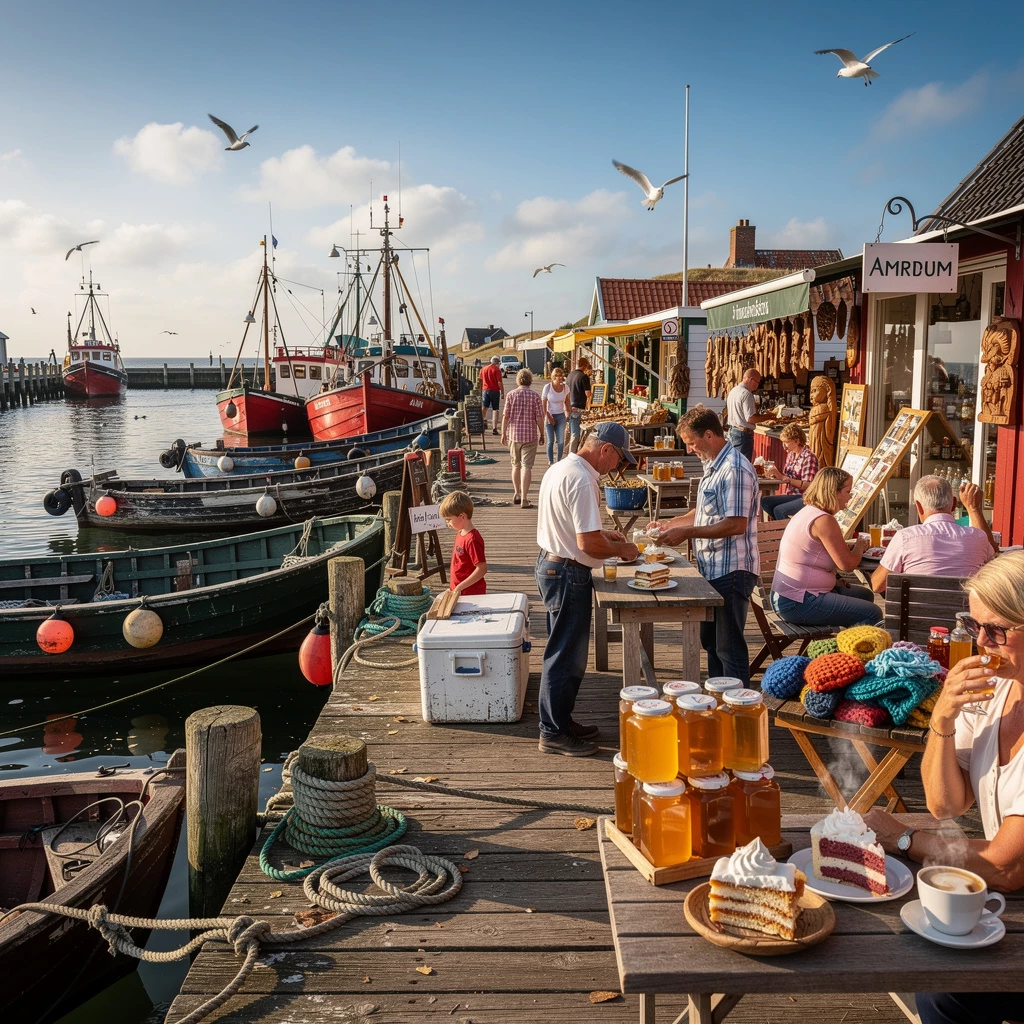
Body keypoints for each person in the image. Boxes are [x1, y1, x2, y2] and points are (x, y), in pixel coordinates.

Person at [862, 551, 1024, 1024]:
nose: (982, 643)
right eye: (974, 626)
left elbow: (1006, 867)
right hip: (1008, 892)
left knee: (943, 991)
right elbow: (947, 803)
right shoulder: (998, 687)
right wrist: (942, 719)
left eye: (998, 630)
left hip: (1012, 887)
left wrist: (905, 839)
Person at [536, 421, 639, 755]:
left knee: (562, 649)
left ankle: (560, 721)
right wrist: (622, 550)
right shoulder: (582, 480)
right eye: (619, 459)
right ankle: (552, 731)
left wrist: (604, 536)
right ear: (605, 449)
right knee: (566, 655)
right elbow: (587, 543)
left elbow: (573, 529)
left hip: (552, 563)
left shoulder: (561, 467)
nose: (617, 468)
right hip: (568, 571)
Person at [652, 405, 760, 685]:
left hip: (732, 570)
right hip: (711, 568)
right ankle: (718, 699)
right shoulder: (714, 464)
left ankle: (738, 710)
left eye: (691, 443)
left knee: (728, 646)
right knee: (711, 643)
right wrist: (671, 524)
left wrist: (686, 533)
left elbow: (736, 524)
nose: (689, 450)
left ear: (710, 435)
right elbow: (703, 512)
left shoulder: (734, 469)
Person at [769, 467, 880, 627]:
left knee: (864, 595)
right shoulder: (824, 521)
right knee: (872, 613)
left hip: (789, 595)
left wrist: (833, 580)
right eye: (848, 491)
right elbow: (847, 565)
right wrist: (860, 545)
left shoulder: (809, 512)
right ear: (833, 492)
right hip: (799, 602)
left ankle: (848, 645)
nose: (850, 496)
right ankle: (849, 649)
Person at [871, 476, 997, 594]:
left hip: (916, 616)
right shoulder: (978, 538)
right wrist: (973, 508)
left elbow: (877, 585)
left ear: (919, 507)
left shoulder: (905, 537)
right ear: (953, 504)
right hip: (965, 616)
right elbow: (996, 560)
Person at [501, 368, 545, 508]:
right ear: (530, 380)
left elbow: (505, 416)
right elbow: (539, 417)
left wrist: (503, 433)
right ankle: (524, 498)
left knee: (515, 465)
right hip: (530, 436)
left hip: (514, 435)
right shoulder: (535, 396)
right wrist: (542, 434)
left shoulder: (511, 395)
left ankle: (516, 493)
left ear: (518, 380)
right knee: (527, 467)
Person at [760, 423, 819, 520]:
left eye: (786, 442)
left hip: (805, 497)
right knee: (765, 502)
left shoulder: (809, 457)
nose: (783, 446)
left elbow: (809, 485)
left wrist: (784, 478)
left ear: (797, 440)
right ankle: (784, 526)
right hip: (791, 495)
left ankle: (785, 531)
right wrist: (774, 474)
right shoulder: (791, 455)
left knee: (779, 510)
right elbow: (786, 477)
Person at [439, 490, 487, 596]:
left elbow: (482, 569)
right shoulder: (460, 533)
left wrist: (460, 586)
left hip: (471, 593)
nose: (448, 524)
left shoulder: (472, 539)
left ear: (462, 516)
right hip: (459, 591)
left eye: (449, 520)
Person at [725, 368, 775, 461]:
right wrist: (769, 416)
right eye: (757, 382)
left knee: (735, 463)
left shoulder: (733, 391)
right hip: (743, 435)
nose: (757, 385)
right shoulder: (746, 394)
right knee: (742, 465)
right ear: (750, 379)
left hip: (733, 431)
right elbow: (751, 419)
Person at [541, 367, 571, 465]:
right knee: (550, 440)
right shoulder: (548, 387)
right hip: (550, 414)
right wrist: (549, 417)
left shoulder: (565, 388)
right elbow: (544, 404)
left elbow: (567, 401)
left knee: (561, 441)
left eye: (561, 377)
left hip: (561, 415)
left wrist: (569, 413)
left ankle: (558, 461)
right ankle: (550, 461)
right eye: (557, 377)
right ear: (553, 377)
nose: (560, 379)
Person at [566, 357, 592, 454]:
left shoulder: (570, 375)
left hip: (569, 406)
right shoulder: (584, 377)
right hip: (578, 407)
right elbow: (588, 394)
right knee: (575, 434)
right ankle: (572, 455)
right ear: (585, 365)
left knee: (571, 432)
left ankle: (569, 453)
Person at [479, 355, 504, 435]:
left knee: (484, 408)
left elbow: (480, 380)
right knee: (495, 409)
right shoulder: (497, 370)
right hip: (495, 391)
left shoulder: (483, 369)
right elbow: (499, 382)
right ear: (497, 362)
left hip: (485, 390)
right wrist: (502, 392)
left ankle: (480, 423)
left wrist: (481, 390)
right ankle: (494, 428)